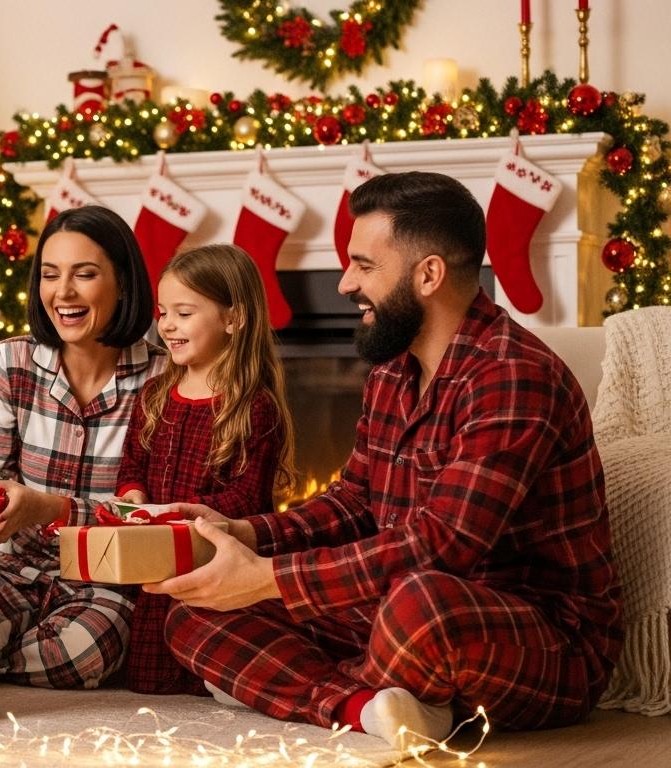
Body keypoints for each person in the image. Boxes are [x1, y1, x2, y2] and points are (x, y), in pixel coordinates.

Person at [149, 172, 622, 747]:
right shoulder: (392, 372)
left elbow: (443, 545)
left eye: (364, 265)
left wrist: (269, 580)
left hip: (531, 634)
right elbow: (353, 501)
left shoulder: (512, 375)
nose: (346, 283)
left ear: (429, 275)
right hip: (388, 608)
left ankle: (306, 686)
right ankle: (369, 706)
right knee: (197, 613)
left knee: (420, 602)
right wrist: (242, 532)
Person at [0, 204, 166, 689]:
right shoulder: (9, 362)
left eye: (85, 274)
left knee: (79, 653)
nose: (63, 293)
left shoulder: (164, 377)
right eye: (50, 275)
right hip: (10, 565)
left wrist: (49, 507)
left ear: (123, 283)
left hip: (108, 579)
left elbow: (154, 515)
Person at [115, 245, 296, 695]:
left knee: (204, 653)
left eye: (184, 313)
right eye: (163, 313)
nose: (167, 325)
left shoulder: (253, 406)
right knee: (149, 678)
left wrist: (186, 514)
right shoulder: (155, 395)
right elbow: (132, 463)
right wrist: (134, 493)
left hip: (213, 557)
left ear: (233, 319)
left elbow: (248, 499)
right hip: (155, 553)